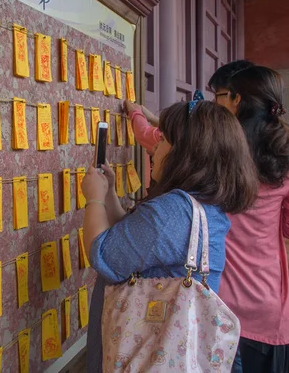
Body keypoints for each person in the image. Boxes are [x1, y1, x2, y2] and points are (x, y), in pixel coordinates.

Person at [81, 100, 259, 373]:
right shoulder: (198, 205)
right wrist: (108, 193)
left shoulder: (174, 211)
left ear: (187, 153)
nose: (154, 148)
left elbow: (104, 254)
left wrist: (93, 199)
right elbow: (130, 238)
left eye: (162, 140)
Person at [208, 62, 289, 373]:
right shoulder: (282, 157)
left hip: (218, 303)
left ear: (237, 99)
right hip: (268, 304)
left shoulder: (217, 152)